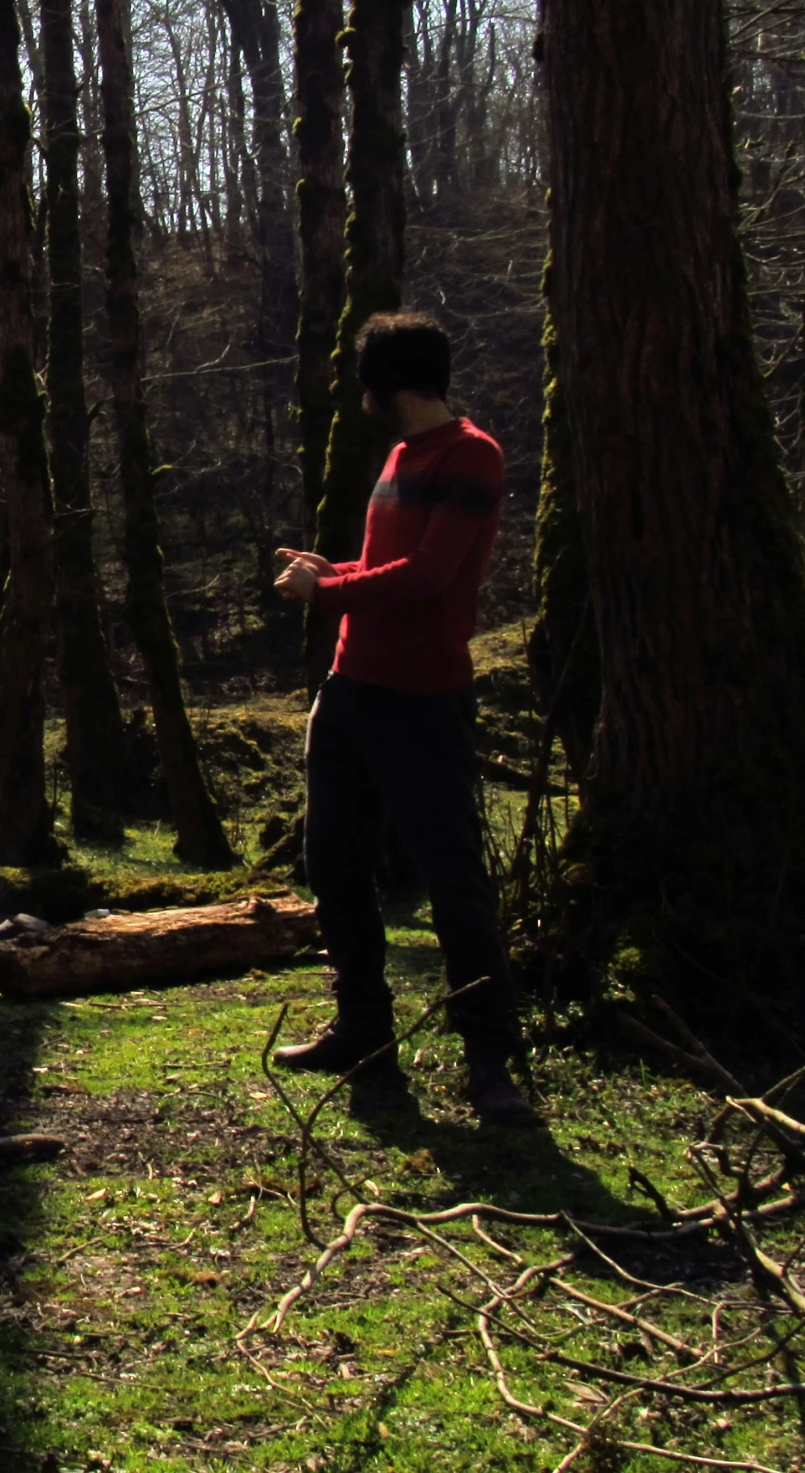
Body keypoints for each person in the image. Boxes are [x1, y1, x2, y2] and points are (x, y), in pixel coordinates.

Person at [273, 312, 537, 1128]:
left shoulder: (472, 456)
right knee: (335, 866)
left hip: (423, 699)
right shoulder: (396, 457)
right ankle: (362, 1029)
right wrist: (335, 569)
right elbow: (389, 567)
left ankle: (491, 1062)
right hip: (350, 689)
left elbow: (428, 578)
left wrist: (329, 592)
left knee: (453, 882)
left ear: (385, 385)